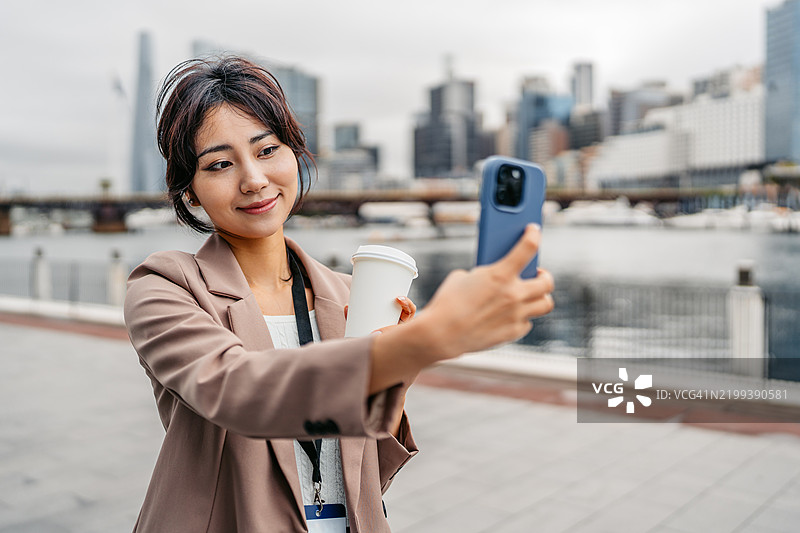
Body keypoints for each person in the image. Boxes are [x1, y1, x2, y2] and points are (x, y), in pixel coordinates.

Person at [124, 56, 555, 533]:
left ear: (295, 154)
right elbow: (238, 391)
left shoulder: (347, 292)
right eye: (220, 164)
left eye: (267, 150)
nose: (254, 180)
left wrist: (395, 374)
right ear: (190, 192)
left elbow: (366, 468)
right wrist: (425, 340)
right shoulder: (165, 286)